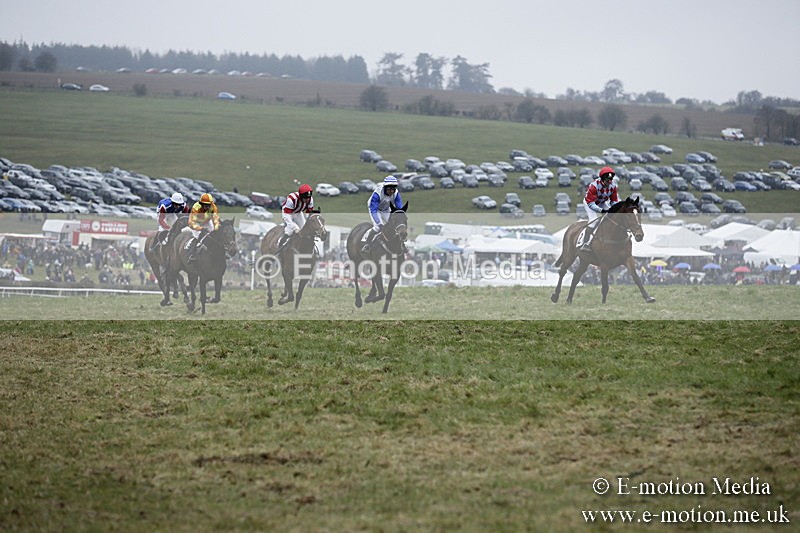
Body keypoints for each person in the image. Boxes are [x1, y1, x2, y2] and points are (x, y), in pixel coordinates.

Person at [361, 175, 405, 255]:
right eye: (389, 189)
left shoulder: (396, 193)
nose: (391, 191)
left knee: (394, 225)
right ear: (385, 187)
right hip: (375, 209)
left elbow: (399, 208)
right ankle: (367, 244)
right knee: (378, 227)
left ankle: (402, 244)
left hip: (386, 209)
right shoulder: (377, 194)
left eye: (393, 189)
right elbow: (373, 210)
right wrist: (380, 223)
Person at [579, 166, 619, 252]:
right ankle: (585, 243)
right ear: (602, 179)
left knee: (612, 217)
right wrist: (602, 211)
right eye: (607, 180)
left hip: (602, 202)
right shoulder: (594, 186)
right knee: (594, 221)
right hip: (589, 203)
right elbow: (591, 204)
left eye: (610, 180)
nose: (609, 182)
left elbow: (614, 201)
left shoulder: (613, 186)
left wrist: (615, 209)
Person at [276, 183, 315, 254]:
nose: (307, 200)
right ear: (301, 196)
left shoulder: (310, 200)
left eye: (308, 198)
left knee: (304, 229)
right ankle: (280, 245)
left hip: (298, 212)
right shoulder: (292, 199)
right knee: (290, 231)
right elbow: (287, 217)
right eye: (305, 198)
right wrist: (294, 228)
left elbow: (308, 214)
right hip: (288, 213)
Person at [186, 193, 220, 262]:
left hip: (206, 221)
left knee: (213, 234)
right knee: (198, 236)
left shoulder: (213, 207)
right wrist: (201, 229)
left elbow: (216, 220)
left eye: (209, 205)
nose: (207, 207)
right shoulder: (196, 207)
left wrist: (216, 228)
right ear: (201, 204)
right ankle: (192, 254)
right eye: (206, 205)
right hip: (195, 222)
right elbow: (192, 223)